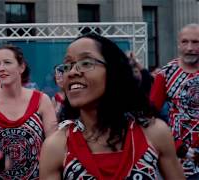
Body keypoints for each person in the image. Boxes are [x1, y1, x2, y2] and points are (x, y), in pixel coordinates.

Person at [39, 32, 185, 179]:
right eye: (67, 66)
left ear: (113, 71)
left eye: (86, 63)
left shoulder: (155, 133)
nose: (72, 72)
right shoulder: (56, 147)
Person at [0, 44, 58, 179]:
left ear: (21, 67)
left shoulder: (41, 100)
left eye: (7, 63)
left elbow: (55, 145)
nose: (2, 68)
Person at [150, 23, 199, 179]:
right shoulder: (166, 74)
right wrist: (176, 145)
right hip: (179, 159)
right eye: (185, 42)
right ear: (178, 44)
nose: (190, 48)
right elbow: (149, 116)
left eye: (195, 42)